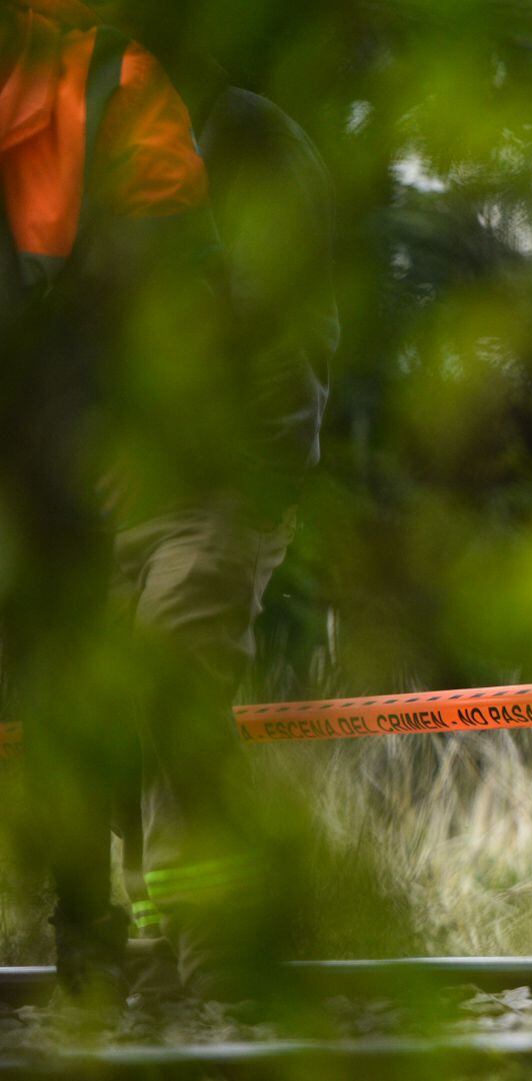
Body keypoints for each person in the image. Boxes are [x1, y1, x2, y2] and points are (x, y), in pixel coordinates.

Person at [88, 0, 338, 1001]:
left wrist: (267, 471)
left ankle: (208, 965)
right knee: (116, 726)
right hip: (119, 486)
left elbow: (292, 315)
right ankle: (156, 945)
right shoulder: (94, 147)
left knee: (175, 690)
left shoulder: (246, 135)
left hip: (220, 484)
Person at [0, 0, 221, 1000]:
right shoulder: (113, 78)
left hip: (100, 452)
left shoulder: (113, 83)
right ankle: (102, 937)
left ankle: (113, 938)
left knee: (104, 694)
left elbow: (180, 279)